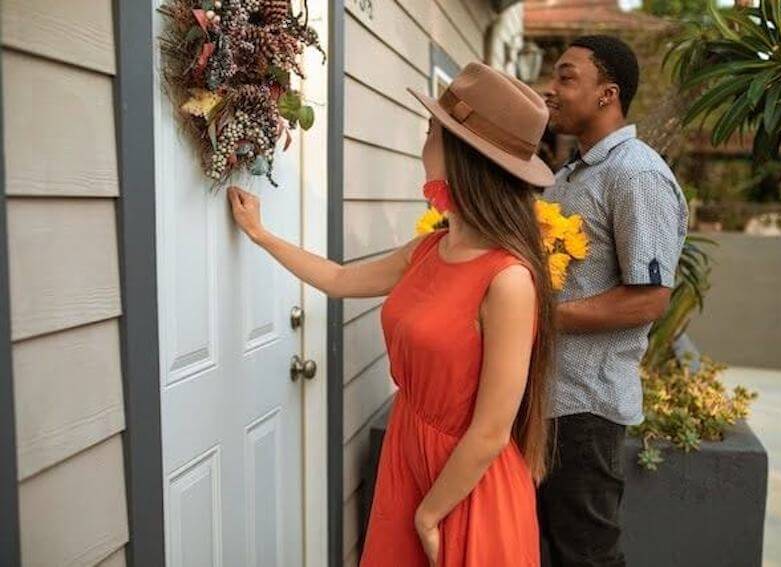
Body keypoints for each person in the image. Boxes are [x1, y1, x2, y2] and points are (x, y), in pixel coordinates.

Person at [229, 62, 557, 566]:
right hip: (409, 457)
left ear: (461, 154)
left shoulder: (508, 279)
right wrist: (260, 234)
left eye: (430, 133)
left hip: (462, 487)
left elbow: (491, 430)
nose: (422, 145)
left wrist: (429, 514)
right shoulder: (429, 249)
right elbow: (340, 279)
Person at [538, 35, 689, 566]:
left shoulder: (636, 175)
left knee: (585, 555)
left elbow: (647, 301)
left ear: (608, 93)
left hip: (584, 409)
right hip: (545, 400)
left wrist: (538, 317)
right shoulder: (569, 175)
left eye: (565, 77)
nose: (551, 89)